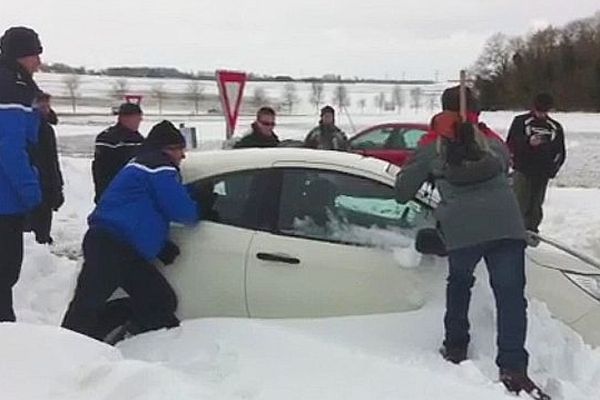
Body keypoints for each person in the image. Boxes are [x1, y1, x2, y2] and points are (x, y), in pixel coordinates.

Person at [395, 86, 550, 400]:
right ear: (475, 112)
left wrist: (431, 170)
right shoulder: (491, 141)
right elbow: (506, 161)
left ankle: (455, 347)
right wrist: (475, 143)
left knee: (460, 282)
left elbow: (401, 191)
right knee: (510, 298)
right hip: (506, 226)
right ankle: (514, 369)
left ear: (443, 110)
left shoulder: (430, 146)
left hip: (463, 231)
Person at [62, 120, 201, 342]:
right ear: (164, 149)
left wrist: (157, 244)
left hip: (118, 246)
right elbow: (182, 211)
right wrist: (200, 203)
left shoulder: (141, 163)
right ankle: (63, 352)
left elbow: (144, 208)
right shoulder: (159, 167)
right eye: (178, 148)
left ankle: (132, 342)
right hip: (112, 246)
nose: (182, 155)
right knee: (88, 305)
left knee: (159, 299)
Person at [0, 26, 43, 322]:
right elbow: (11, 150)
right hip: (5, 201)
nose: (39, 62)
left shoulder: (16, 85)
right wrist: (34, 197)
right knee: (5, 271)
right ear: (21, 56)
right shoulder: (11, 87)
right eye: (35, 54)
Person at [507, 93, 566, 237]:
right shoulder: (520, 121)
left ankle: (532, 230)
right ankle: (515, 231)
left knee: (536, 204)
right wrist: (528, 143)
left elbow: (560, 152)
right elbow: (510, 144)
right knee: (520, 201)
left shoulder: (555, 127)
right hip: (522, 169)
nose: (541, 114)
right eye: (539, 110)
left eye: (544, 111)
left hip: (542, 172)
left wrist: (552, 169)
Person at [24, 92, 64, 244]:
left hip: (47, 183)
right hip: (31, 182)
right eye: (41, 105)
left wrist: (57, 186)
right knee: (29, 228)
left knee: (43, 221)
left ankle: (42, 246)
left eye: (47, 106)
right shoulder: (28, 128)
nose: (45, 109)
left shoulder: (47, 129)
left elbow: (52, 160)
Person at [92, 102, 144, 203]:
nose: (139, 121)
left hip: (133, 194)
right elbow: (101, 169)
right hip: (112, 191)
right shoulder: (108, 138)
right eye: (137, 118)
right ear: (125, 118)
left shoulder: (139, 139)